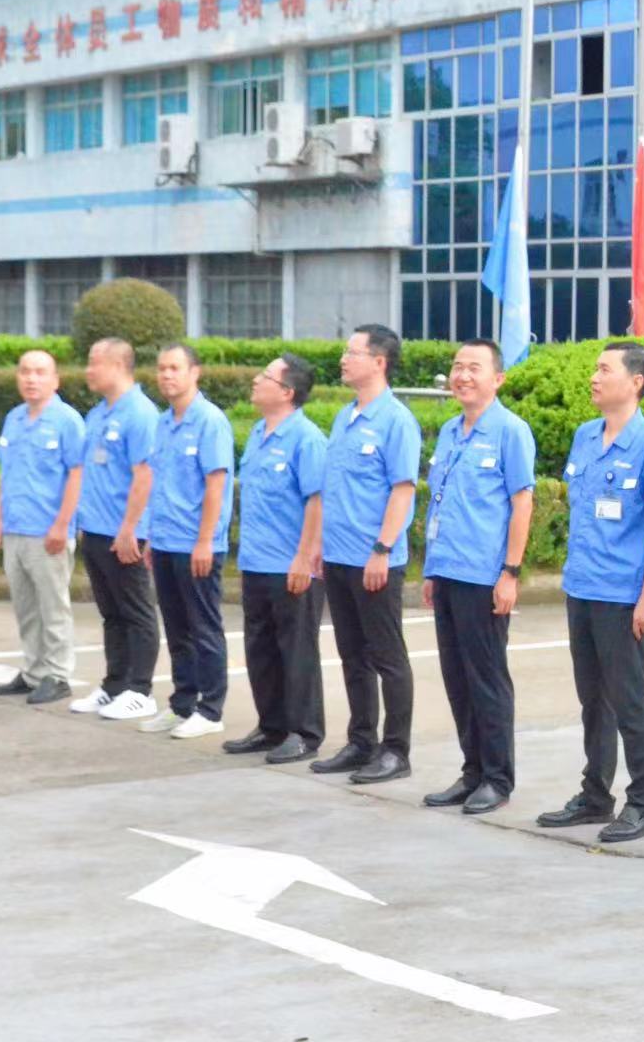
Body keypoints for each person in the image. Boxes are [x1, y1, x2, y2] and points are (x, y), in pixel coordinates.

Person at [536, 342, 644, 844]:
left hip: (623, 594)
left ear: (635, 382)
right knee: (593, 700)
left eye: (604, 369)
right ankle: (595, 794)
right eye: (595, 369)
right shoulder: (585, 436)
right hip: (582, 586)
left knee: (629, 701)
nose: (594, 377)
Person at [421, 339, 537, 817]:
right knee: (457, 678)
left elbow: (522, 502)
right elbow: (440, 502)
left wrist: (510, 572)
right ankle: (471, 771)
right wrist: (431, 569)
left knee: (487, 680)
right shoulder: (451, 431)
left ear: (498, 379)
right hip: (447, 570)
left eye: (474, 368)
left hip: (484, 576)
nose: (462, 376)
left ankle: (497, 778)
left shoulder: (510, 431)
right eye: (457, 367)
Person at [315, 324, 420, 785]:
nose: (343, 359)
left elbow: (403, 489)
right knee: (351, 655)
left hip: (375, 559)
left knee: (387, 657)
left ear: (379, 361)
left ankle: (396, 750)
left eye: (352, 352)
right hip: (339, 556)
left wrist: (382, 548)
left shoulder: (396, 420)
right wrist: (320, 547)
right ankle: (361, 741)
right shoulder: (345, 417)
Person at [225, 356, 327, 765]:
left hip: (291, 564)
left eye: (265, 376)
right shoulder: (257, 433)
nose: (255, 380)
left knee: (297, 651)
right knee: (261, 649)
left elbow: (317, 501)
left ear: (286, 392)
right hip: (256, 561)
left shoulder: (307, 438)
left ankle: (304, 732)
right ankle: (271, 726)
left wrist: (305, 558)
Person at [139, 343, 234, 740]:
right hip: (165, 541)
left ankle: (211, 710)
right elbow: (158, 482)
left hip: (197, 544)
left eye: (175, 368)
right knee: (177, 629)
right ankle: (182, 703)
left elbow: (216, 484)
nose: (166, 375)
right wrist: (150, 535)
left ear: (195, 373)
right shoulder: (163, 422)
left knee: (204, 628)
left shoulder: (210, 421)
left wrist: (205, 540)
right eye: (162, 368)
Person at [68, 338, 162, 722]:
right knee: (112, 614)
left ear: (119, 365)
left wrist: (130, 528)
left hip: (124, 532)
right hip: (96, 529)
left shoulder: (140, 413)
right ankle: (115, 684)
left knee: (136, 612)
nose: (88, 370)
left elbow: (145, 475)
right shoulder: (97, 414)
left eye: (95, 362)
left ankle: (140, 690)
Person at [0, 349, 87, 706]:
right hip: (16, 528)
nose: (31, 378)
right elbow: (7, 472)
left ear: (55, 380)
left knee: (53, 607)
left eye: (40, 372)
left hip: (48, 532)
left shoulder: (67, 421)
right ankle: (33, 671)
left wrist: (62, 524)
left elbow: (77, 474)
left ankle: (57, 674)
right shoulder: (14, 419)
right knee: (26, 607)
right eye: (25, 371)